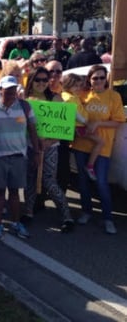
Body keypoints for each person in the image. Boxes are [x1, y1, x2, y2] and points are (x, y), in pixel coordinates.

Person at [0, 76, 40, 240]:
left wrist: (36, 152)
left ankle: (16, 223)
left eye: (13, 89)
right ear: (0, 89)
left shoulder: (24, 106)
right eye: (7, 89)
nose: (10, 92)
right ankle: (0, 224)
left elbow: (32, 130)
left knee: (15, 193)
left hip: (18, 157)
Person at [72, 65, 124, 234]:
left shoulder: (114, 96)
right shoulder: (83, 95)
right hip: (82, 144)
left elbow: (118, 121)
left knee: (101, 182)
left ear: (106, 79)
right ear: (90, 80)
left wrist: (98, 123)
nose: (99, 81)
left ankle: (108, 218)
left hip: (102, 147)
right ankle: (86, 211)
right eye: (95, 78)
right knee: (83, 181)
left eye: (102, 77)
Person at [22, 68, 74, 232]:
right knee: (30, 179)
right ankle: (28, 212)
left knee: (49, 181)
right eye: (38, 80)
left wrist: (49, 141)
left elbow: (65, 128)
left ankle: (66, 216)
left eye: (45, 80)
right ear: (31, 80)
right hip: (31, 147)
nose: (42, 83)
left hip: (50, 147)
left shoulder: (56, 99)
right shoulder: (24, 101)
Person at [61, 73, 105, 180]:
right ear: (68, 85)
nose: (78, 88)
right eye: (75, 86)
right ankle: (90, 166)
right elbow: (76, 114)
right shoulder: (69, 98)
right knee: (100, 142)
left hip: (80, 125)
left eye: (80, 86)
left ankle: (88, 164)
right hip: (79, 126)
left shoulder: (72, 96)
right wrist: (86, 123)